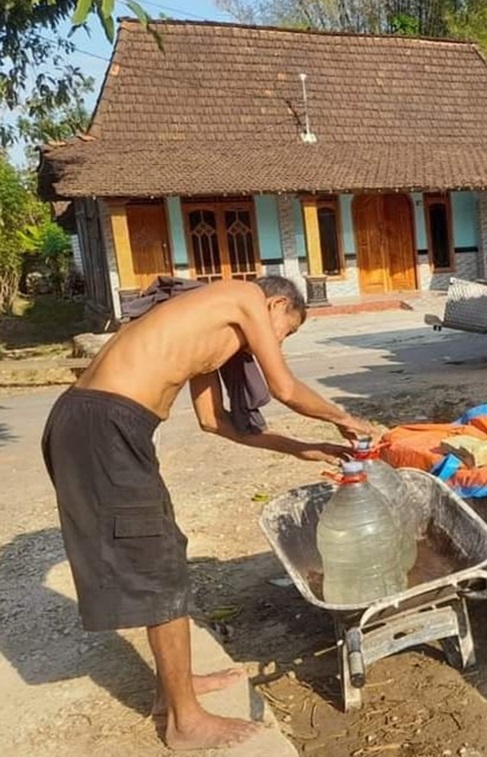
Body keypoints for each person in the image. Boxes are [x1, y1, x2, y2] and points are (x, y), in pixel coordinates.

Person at [41, 276, 377, 751]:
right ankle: (184, 721)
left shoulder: (210, 330)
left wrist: (300, 447)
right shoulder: (242, 296)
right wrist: (343, 417)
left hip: (115, 426)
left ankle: (175, 687)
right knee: (156, 565)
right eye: (286, 331)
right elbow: (284, 387)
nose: (278, 343)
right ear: (276, 303)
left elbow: (213, 421)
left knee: (165, 550)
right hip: (102, 426)